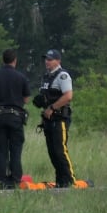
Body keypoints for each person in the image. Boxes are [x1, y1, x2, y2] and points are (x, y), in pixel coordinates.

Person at [0, 49, 31, 189]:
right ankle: (15, 179)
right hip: (16, 116)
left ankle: (1, 180)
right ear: (14, 60)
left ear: (2, 60)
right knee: (15, 149)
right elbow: (26, 99)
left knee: (1, 150)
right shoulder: (21, 77)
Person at [35, 49, 76, 187]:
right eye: (46, 59)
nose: (47, 61)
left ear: (58, 61)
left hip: (59, 119)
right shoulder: (46, 77)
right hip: (48, 120)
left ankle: (70, 180)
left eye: (50, 59)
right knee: (53, 152)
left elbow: (68, 96)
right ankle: (60, 181)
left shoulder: (62, 76)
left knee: (60, 150)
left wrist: (52, 108)